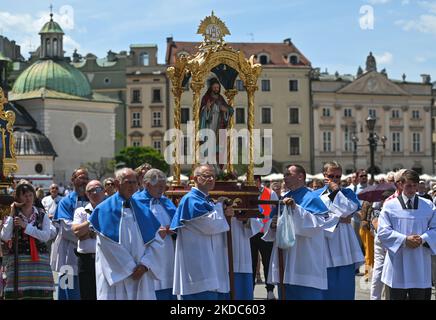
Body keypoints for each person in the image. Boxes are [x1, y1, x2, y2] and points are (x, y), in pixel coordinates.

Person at [263, 164, 343, 300]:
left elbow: (319, 224)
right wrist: (273, 224)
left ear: (300, 176)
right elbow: (270, 224)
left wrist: (296, 209)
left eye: (289, 174)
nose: (285, 177)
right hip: (285, 259)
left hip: (305, 259)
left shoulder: (311, 197)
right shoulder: (283, 198)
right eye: (284, 175)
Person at [89, 168, 163, 300]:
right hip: (116, 276)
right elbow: (107, 245)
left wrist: (145, 264)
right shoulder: (104, 209)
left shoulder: (143, 209)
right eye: (129, 182)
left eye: (135, 182)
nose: (133, 186)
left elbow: (157, 241)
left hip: (142, 275)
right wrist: (130, 268)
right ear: (117, 184)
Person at [170, 164, 234, 300]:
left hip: (211, 263)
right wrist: (221, 208)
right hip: (198, 267)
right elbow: (210, 225)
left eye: (213, 176)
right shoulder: (190, 200)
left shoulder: (207, 200)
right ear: (195, 178)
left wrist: (221, 208)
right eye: (206, 176)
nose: (210, 179)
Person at [378, 169, 436, 300]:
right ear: (400, 185)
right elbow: (382, 231)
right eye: (408, 185)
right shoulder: (389, 206)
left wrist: (423, 239)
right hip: (397, 263)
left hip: (420, 263)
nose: (412, 189)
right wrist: (404, 240)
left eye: (415, 185)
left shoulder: (428, 205)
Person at [312, 161, 364, 300]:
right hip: (323, 242)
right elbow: (313, 218)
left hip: (344, 244)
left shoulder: (347, 193)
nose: (335, 179)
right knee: (325, 285)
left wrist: (336, 191)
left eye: (338, 176)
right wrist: (338, 218)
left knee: (344, 286)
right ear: (324, 176)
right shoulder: (315, 195)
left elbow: (348, 210)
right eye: (331, 176)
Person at [0, 181, 54, 299]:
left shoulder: (42, 215)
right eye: (24, 195)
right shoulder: (14, 216)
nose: (28, 198)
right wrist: (12, 213)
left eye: (30, 195)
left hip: (40, 262)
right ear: (18, 198)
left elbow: (45, 236)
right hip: (18, 261)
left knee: (40, 295)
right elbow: (5, 236)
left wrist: (26, 226)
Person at [135, 169, 177, 300]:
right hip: (148, 252)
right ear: (147, 185)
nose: (162, 190)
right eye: (159, 186)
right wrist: (155, 234)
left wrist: (174, 229)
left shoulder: (166, 201)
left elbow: (177, 220)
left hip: (169, 252)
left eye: (163, 186)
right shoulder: (136, 202)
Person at [51, 168, 89, 300]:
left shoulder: (93, 200)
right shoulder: (65, 201)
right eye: (80, 177)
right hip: (68, 253)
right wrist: (89, 233)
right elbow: (66, 229)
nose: (83, 181)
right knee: (66, 288)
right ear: (73, 180)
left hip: (89, 254)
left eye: (86, 178)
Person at [72, 180, 105, 300]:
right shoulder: (80, 211)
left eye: (98, 189)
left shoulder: (110, 211)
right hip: (85, 261)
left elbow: (110, 234)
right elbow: (77, 232)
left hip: (104, 259)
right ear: (87, 194)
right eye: (91, 190)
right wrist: (92, 219)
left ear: (104, 192)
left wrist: (87, 233)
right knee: (86, 295)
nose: (95, 193)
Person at [250, 175, 278, 300]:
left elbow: (276, 210)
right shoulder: (246, 192)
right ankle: (249, 290)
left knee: (267, 262)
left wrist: (273, 223)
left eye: (253, 181)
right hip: (250, 234)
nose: (250, 183)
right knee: (251, 263)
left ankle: (270, 290)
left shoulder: (270, 193)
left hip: (265, 233)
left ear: (258, 181)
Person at [199, 78, 234, 169]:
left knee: (218, 144)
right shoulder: (206, 98)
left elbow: (229, 110)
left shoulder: (221, 98)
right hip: (209, 124)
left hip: (219, 124)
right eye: (214, 87)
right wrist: (207, 108)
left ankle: (218, 166)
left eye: (217, 87)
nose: (216, 89)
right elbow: (202, 112)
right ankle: (209, 164)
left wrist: (225, 110)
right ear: (211, 88)